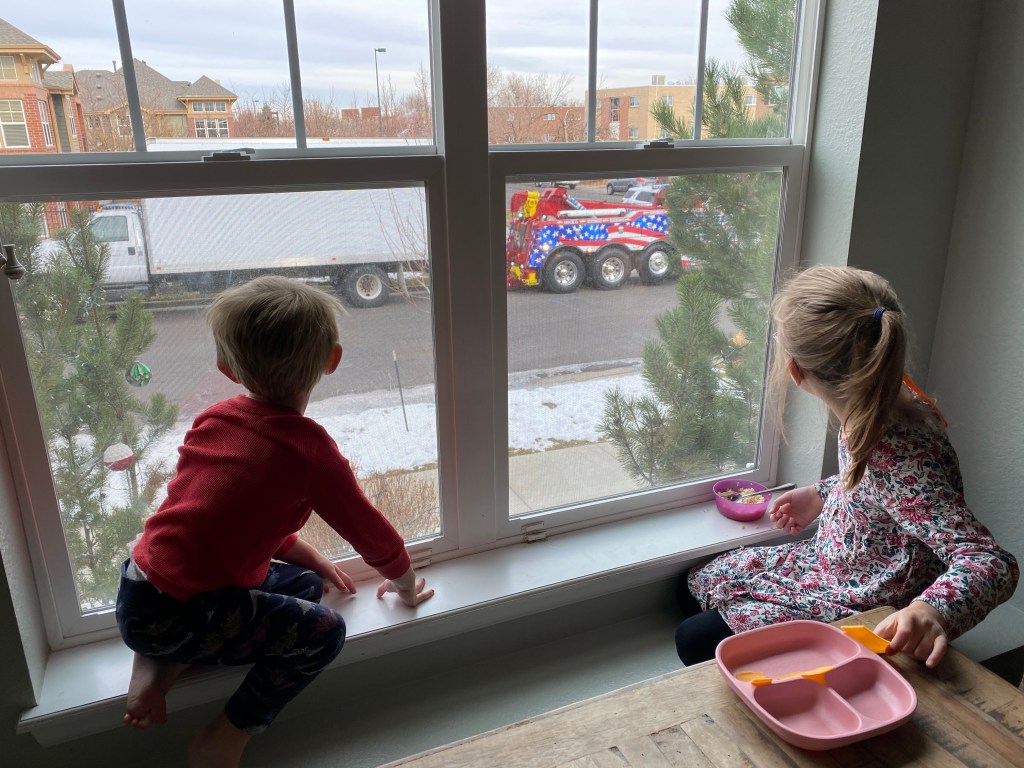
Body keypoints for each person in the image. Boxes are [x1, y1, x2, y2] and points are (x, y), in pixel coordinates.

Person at [116, 275, 434, 768]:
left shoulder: (215, 419)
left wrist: (308, 555)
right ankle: (225, 736)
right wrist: (407, 587)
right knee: (324, 632)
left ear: (226, 368)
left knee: (305, 586)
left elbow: (224, 520)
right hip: (181, 615)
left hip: (139, 591)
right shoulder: (308, 451)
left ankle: (159, 666)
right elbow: (371, 534)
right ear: (333, 359)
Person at [675, 265, 1019, 669]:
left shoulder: (894, 449)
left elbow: (990, 561)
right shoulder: (884, 400)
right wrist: (823, 494)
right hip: (837, 559)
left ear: (796, 372)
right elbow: (885, 488)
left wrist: (930, 610)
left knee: (693, 639)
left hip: (870, 592)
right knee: (692, 585)